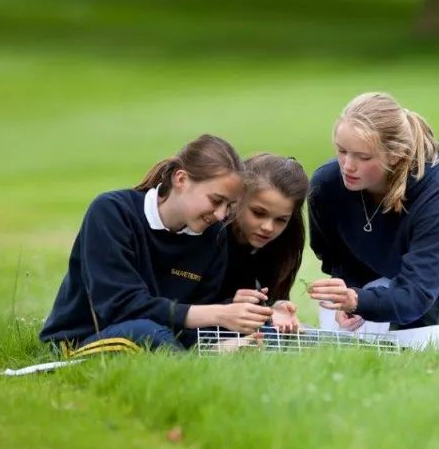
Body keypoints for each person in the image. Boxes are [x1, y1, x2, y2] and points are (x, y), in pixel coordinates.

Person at [39, 134, 272, 353]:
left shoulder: (214, 236)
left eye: (229, 205)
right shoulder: (112, 211)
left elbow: (195, 316)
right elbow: (119, 307)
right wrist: (218, 314)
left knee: (263, 332)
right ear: (181, 179)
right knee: (147, 333)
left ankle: (204, 355)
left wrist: (239, 313)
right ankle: (194, 361)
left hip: (165, 334)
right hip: (89, 336)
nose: (221, 215)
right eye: (216, 200)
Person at [307, 92, 439, 330]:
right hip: (388, 271)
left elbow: (417, 293)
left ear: (395, 156)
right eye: (342, 151)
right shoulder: (325, 185)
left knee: (434, 344)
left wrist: (359, 300)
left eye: (363, 157)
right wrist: (351, 290)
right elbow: (334, 254)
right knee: (361, 342)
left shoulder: (438, 190)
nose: (347, 166)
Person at [220, 153, 310, 334]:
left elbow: (266, 296)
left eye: (281, 220)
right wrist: (230, 305)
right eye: (258, 213)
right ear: (237, 199)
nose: (268, 228)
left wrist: (275, 307)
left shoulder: (286, 241)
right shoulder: (211, 234)